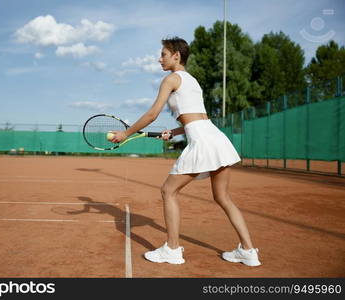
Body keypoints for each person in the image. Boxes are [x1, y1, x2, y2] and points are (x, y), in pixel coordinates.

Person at [111, 37, 261, 267]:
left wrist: (126, 133)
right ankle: (248, 251)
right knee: (223, 197)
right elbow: (198, 119)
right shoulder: (193, 81)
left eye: (163, 54)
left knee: (168, 191)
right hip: (216, 138)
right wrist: (174, 131)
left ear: (176, 56)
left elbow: (152, 114)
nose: (159, 58)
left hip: (202, 142)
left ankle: (172, 249)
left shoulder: (170, 78)